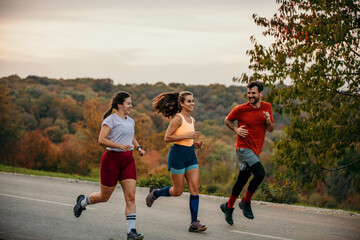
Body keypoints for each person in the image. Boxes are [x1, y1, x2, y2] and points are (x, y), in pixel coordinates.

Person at [73, 91, 146, 240]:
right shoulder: (110, 120)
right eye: (128, 103)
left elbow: (131, 136)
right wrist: (119, 146)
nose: (131, 106)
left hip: (128, 161)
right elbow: (101, 139)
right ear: (120, 105)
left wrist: (138, 148)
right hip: (111, 161)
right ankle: (82, 203)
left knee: (131, 196)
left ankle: (131, 232)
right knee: (104, 197)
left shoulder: (130, 120)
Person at [146, 91, 207, 233]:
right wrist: (188, 135)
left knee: (194, 188)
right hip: (177, 156)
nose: (192, 103)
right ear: (181, 103)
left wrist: (194, 144)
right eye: (189, 101)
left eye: (193, 101)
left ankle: (194, 222)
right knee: (177, 191)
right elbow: (167, 137)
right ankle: (155, 193)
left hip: (190, 155)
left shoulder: (193, 120)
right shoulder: (177, 119)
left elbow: (187, 141)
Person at [220, 81, 274, 225]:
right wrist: (236, 130)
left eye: (253, 93)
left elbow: (270, 129)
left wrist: (268, 120)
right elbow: (227, 120)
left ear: (260, 94)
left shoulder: (267, 107)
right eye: (249, 93)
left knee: (242, 178)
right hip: (243, 148)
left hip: (256, 150)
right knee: (260, 174)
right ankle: (246, 202)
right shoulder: (240, 109)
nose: (250, 96)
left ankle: (228, 206)